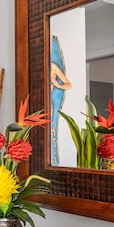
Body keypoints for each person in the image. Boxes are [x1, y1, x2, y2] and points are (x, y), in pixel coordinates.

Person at [50, 36, 73, 165]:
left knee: (51, 130)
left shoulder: (52, 67)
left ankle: (54, 160)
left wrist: (57, 85)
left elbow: (68, 84)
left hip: (50, 103)